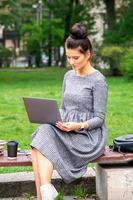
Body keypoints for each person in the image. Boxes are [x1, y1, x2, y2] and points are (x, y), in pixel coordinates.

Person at [31, 23, 108, 200]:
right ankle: (45, 191)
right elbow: (65, 107)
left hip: (88, 136)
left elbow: (100, 119)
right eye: (68, 57)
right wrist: (53, 116)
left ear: (88, 54)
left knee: (39, 144)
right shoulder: (68, 76)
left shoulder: (98, 81)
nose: (72, 62)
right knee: (42, 134)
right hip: (67, 128)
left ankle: (42, 195)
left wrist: (78, 125)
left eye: (76, 58)